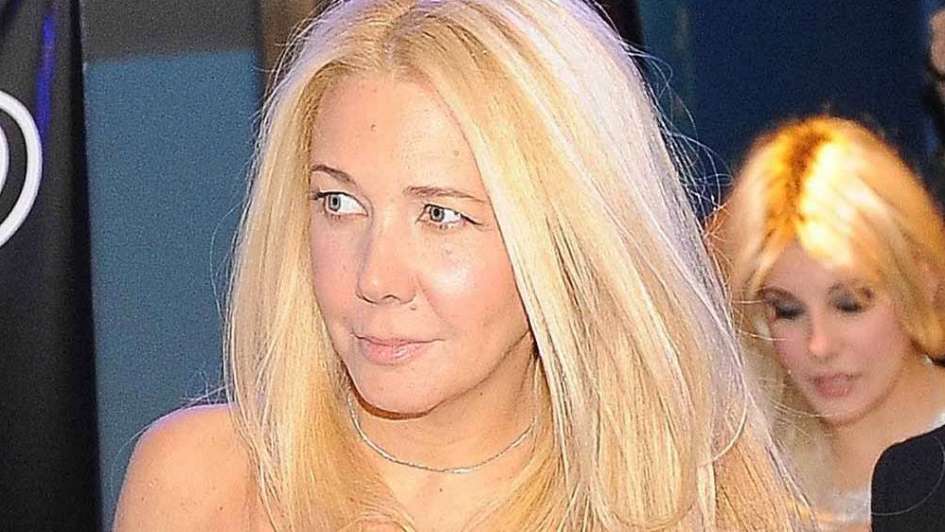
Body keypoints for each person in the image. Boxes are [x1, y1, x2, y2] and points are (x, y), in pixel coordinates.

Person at [113, 0, 810, 529]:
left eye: (441, 214)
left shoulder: (691, 505)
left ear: (569, 236)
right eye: (338, 202)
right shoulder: (197, 485)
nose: (376, 279)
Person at [709, 115, 945, 531]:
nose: (819, 344)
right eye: (787, 310)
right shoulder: (744, 474)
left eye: (850, 304)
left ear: (921, 279)